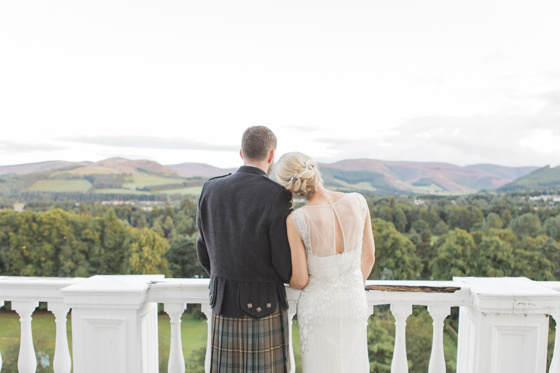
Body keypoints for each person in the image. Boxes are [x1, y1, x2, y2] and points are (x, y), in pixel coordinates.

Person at [196, 126, 293, 373]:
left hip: (222, 302)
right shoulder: (277, 195)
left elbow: (203, 249)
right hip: (264, 307)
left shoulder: (210, 189)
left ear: (241, 152)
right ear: (271, 156)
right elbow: (284, 264)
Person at [275, 151, 375, 373]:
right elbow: (369, 257)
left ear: (289, 187)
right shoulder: (358, 201)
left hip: (319, 308)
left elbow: (300, 280)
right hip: (354, 302)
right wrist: (350, 286)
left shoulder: (296, 219)